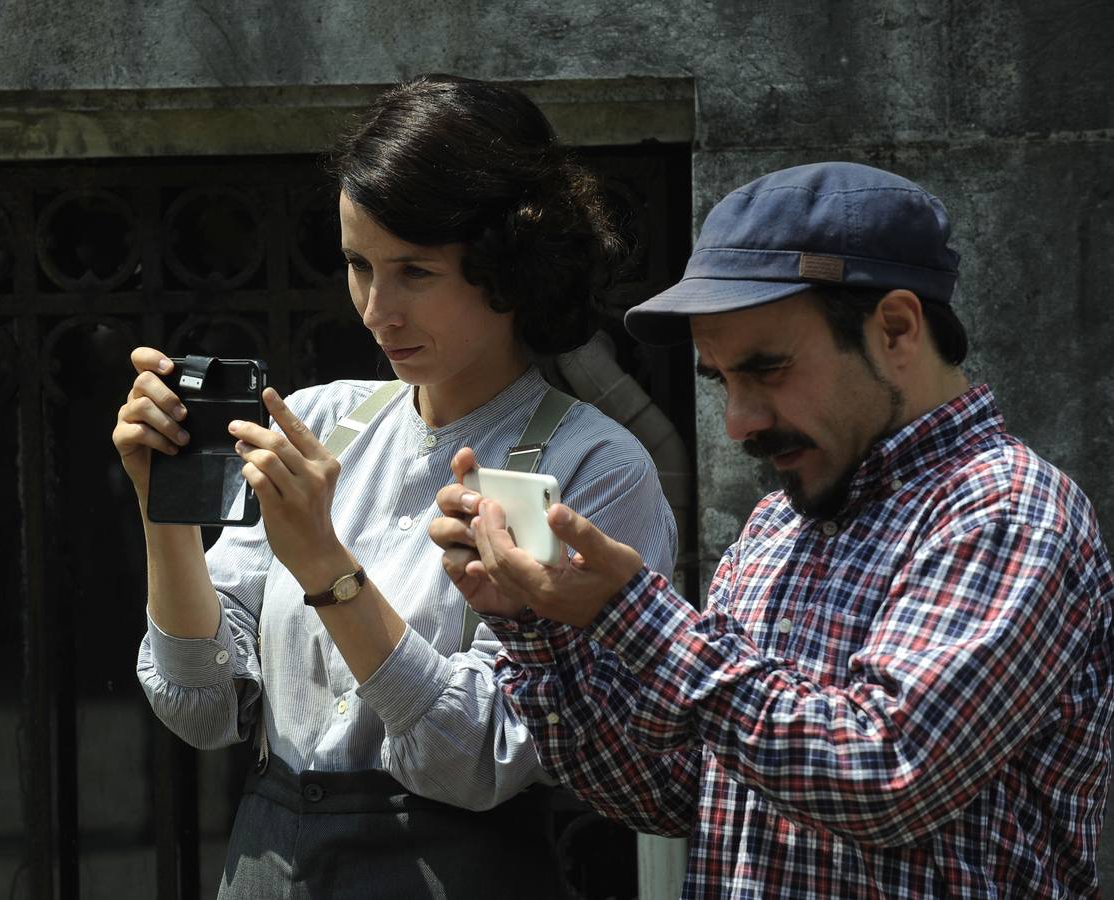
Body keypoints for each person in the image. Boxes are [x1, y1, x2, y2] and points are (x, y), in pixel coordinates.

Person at [432, 161, 1114, 897]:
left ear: (895, 329)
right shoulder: (775, 525)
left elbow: (885, 775)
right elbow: (666, 793)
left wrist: (631, 614)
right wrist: (537, 629)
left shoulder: (1007, 510)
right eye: (723, 380)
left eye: (767, 370)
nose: (738, 422)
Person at [112, 74, 676, 898]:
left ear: (508, 268)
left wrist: (326, 568)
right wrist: (161, 505)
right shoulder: (319, 421)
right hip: (265, 863)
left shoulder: (588, 467)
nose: (378, 310)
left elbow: (482, 756)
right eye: (357, 265)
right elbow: (200, 706)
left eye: (414, 271)